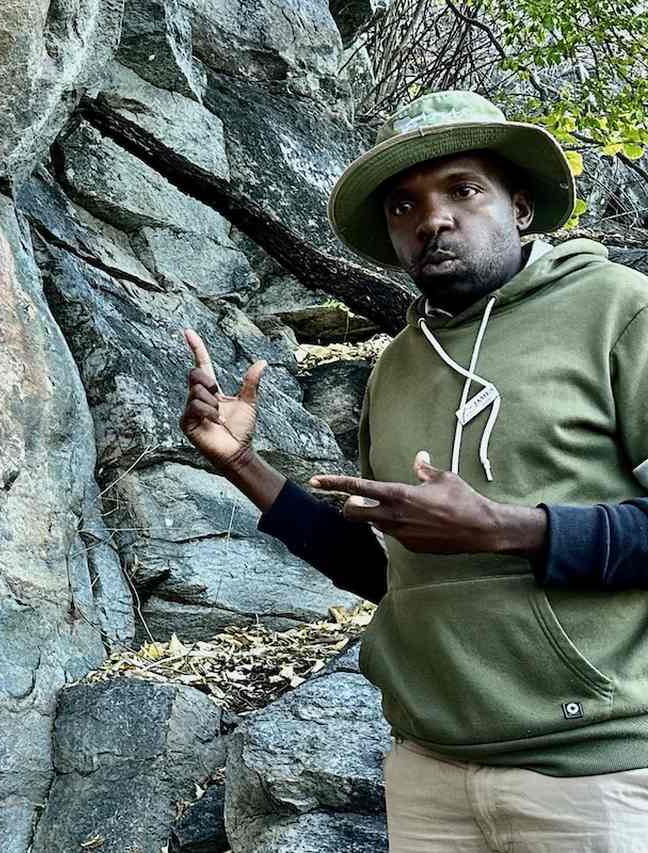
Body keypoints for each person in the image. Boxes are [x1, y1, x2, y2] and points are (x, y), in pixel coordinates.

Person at [179, 90, 648, 852]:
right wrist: (242, 464)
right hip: (428, 770)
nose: (432, 217)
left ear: (520, 208)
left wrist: (506, 529)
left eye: (462, 189)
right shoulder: (396, 366)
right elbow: (391, 566)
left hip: (594, 773)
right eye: (404, 205)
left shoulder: (619, 311)